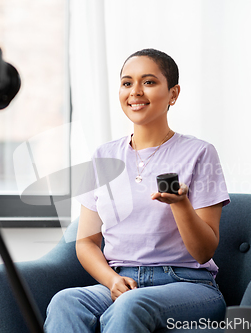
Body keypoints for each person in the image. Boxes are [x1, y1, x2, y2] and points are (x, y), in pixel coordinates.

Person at [44, 48, 230, 332]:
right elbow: (86, 242)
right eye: (127, 83)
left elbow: (204, 252)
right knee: (65, 301)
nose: (135, 92)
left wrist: (180, 205)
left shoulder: (199, 153)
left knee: (132, 305)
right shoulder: (103, 156)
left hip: (186, 284)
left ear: (173, 94)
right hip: (122, 281)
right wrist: (111, 280)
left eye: (149, 82)